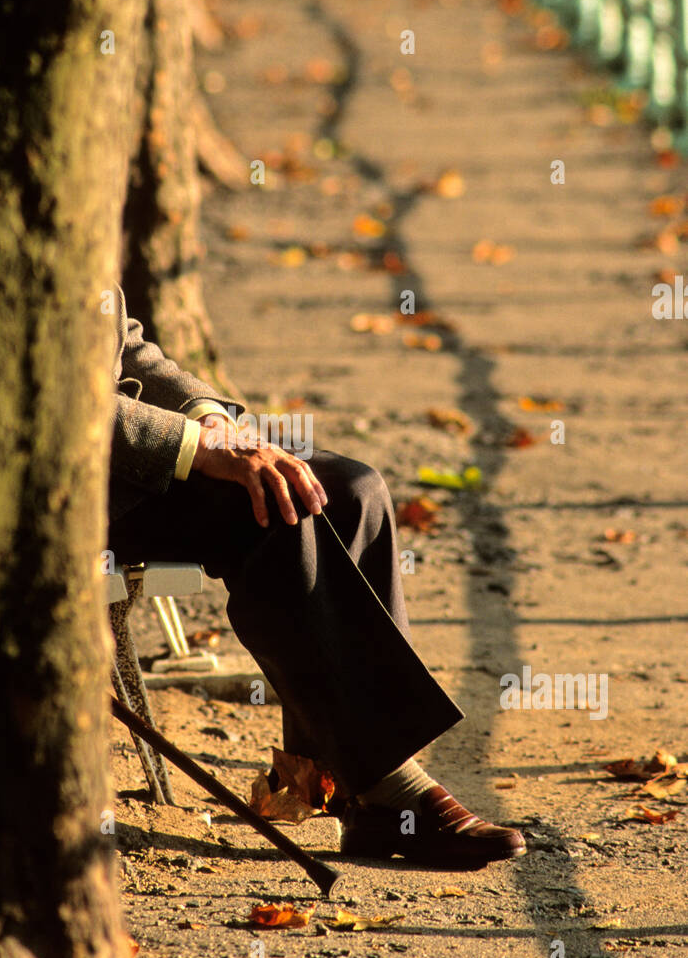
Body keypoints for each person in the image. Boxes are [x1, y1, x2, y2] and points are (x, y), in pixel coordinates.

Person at [109, 288, 525, 867]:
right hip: (53, 485)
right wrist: (196, 447)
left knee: (353, 491)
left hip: (118, 455)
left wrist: (214, 423)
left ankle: (334, 781)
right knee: (279, 514)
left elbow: (125, 347)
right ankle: (386, 788)